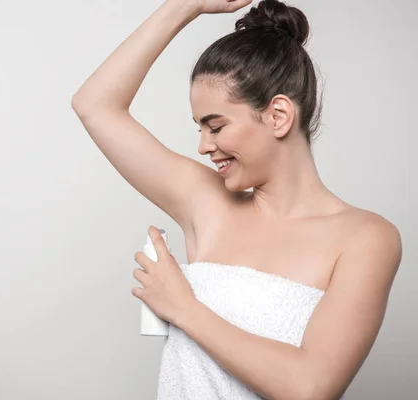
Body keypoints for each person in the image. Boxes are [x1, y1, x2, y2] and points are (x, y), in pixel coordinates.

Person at [71, 0, 402, 398]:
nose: (203, 147)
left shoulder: (366, 238)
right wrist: (183, 7)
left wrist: (184, 308)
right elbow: (95, 105)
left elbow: (310, 387)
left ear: (278, 116)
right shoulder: (205, 203)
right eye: (199, 128)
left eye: (215, 126)